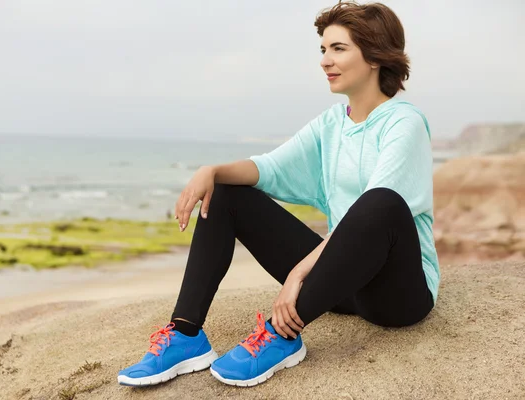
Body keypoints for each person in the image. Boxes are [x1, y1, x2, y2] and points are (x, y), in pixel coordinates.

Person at [118, 1, 440, 388]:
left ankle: (280, 335)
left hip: (398, 294)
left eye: (338, 48)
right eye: (323, 49)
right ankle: (186, 336)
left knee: (380, 202)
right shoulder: (332, 124)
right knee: (226, 192)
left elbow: (374, 215)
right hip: (342, 284)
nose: (325, 61)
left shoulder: (405, 123)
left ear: (374, 55)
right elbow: (268, 168)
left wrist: (299, 273)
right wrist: (212, 171)